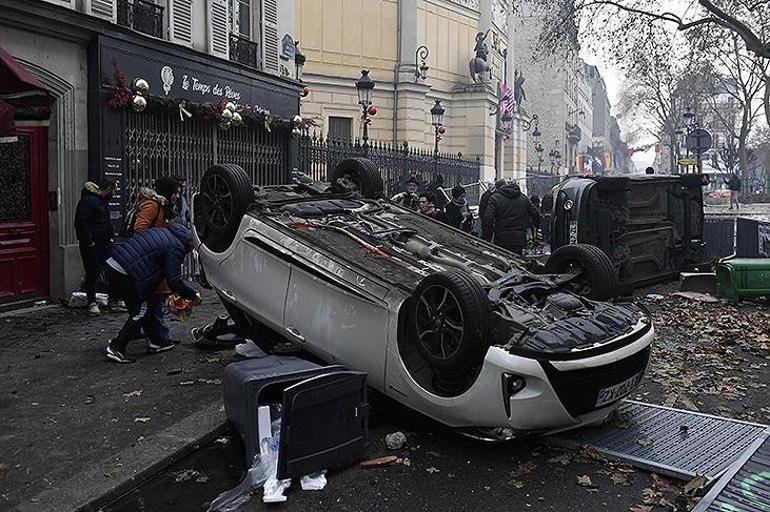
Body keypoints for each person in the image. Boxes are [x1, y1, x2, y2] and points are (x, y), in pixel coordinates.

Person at [104, 223, 201, 363]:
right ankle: (116, 347)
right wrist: (192, 296)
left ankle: (157, 341)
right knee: (140, 311)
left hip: (115, 264)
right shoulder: (177, 247)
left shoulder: (163, 232)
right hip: (125, 272)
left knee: (147, 306)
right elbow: (173, 279)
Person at [133, 177, 180, 345]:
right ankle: (160, 337)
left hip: (158, 259)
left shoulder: (165, 207)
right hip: (151, 260)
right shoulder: (152, 205)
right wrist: (160, 242)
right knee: (155, 301)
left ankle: (151, 333)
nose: (178, 195)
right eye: (175, 192)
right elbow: (139, 229)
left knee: (155, 300)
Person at [74, 179, 116, 316]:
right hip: (92, 245)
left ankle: (113, 298)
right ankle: (92, 302)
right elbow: (81, 222)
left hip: (104, 243)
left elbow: (105, 223)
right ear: (108, 190)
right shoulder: (88, 201)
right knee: (92, 272)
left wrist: (109, 237)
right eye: (113, 191)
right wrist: (89, 241)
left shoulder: (101, 202)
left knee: (110, 270)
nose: (113, 194)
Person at [482, 181, 541, 254]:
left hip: (501, 237)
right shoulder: (523, 198)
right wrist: (536, 228)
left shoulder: (495, 198)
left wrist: (488, 236)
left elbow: (488, 218)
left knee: (502, 261)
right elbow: (536, 213)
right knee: (517, 261)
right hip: (519, 237)